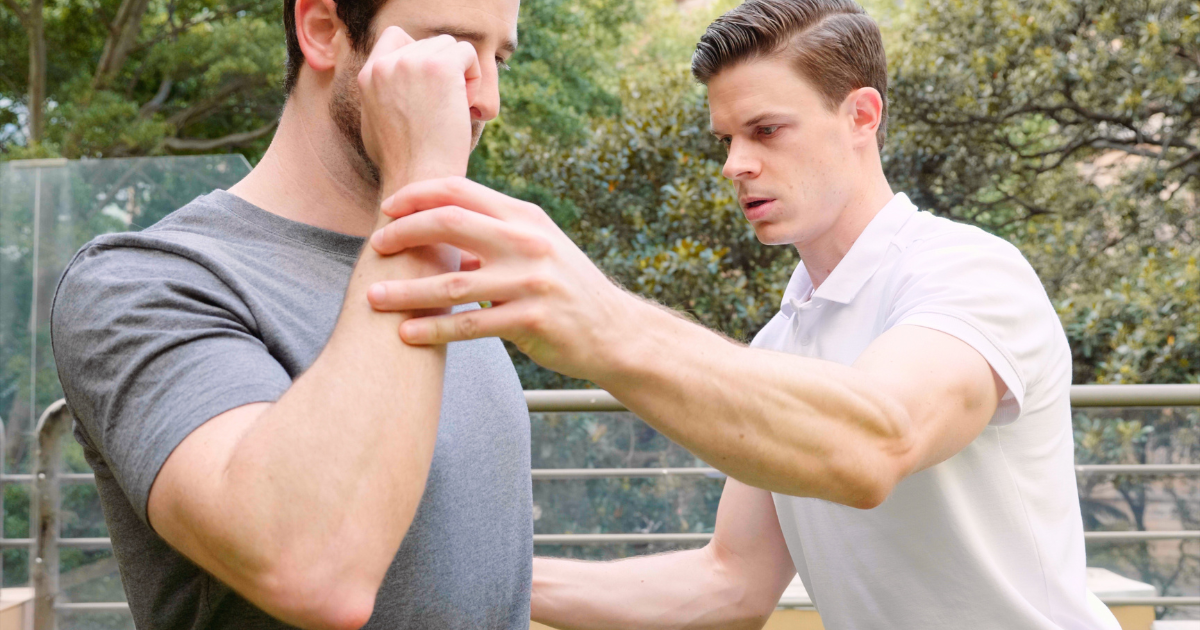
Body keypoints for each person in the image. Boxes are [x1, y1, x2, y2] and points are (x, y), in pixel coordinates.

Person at [363, 1, 1122, 628]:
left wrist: (601, 323)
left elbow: (876, 439)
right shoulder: (782, 341)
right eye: (726, 138)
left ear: (862, 115)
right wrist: (471, 575)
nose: (735, 165)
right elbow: (728, 586)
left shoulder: (968, 272)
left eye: (766, 131)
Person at [49, 0, 529, 628]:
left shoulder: (439, 267)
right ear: (323, 29)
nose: (486, 99)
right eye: (451, 52)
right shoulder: (143, 281)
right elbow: (315, 571)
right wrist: (421, 185)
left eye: (498, 59)